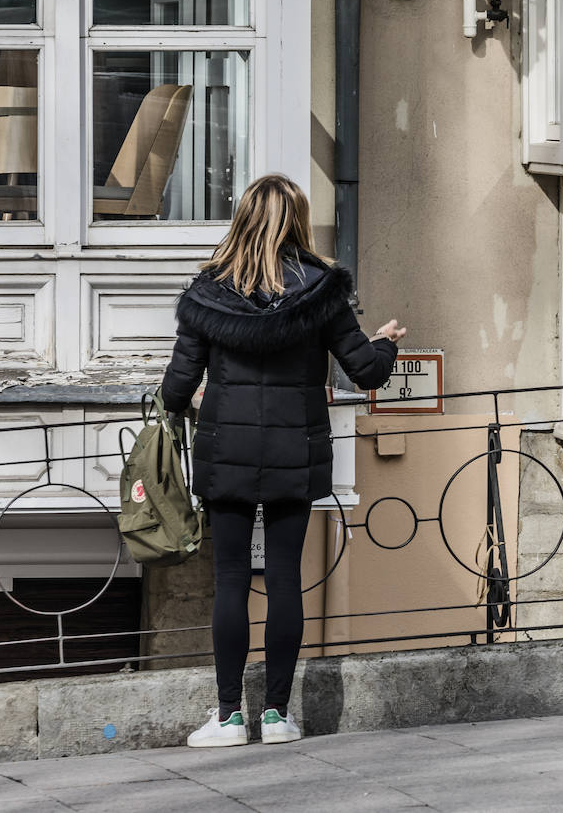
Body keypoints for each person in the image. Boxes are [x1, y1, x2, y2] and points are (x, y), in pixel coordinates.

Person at [161, 173, 404, 748]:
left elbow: (175, 391)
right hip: (295, 449)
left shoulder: (208, 291)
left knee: (229, 582)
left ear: (242, 216)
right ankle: (275, 717)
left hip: (228, 453)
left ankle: (225, 718)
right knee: (286, 580)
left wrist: (203, 394)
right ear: (298, 218)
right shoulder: (321, 289)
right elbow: (365, 371)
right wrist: (388, 341)